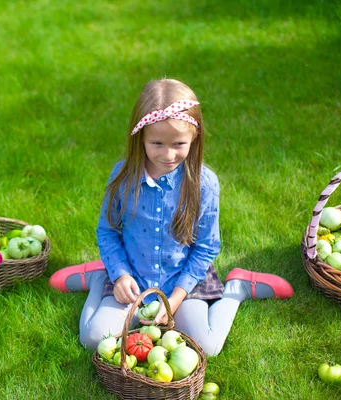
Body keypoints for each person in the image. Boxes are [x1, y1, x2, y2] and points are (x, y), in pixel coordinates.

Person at [48, 78, 293, 356]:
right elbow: (108, 231)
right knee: (94, 339)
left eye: (178, 143)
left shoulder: (204, 183)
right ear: (139, 136)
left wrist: (175, 300)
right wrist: (119, 275)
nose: (168, 154)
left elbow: (206, 247)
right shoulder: (122, 177)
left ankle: (237, 289)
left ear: (195, 138)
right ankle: (98, 277)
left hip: (183, 281)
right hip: (133, 275)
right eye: (157, 143)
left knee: (207, 347)